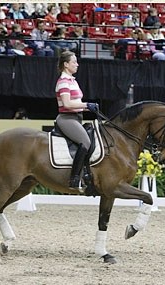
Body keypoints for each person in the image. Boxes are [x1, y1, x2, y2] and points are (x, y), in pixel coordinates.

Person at [55, 51, 98, 191]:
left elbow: (76, 103)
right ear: (66, 64)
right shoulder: (63, 82)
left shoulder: (72, 81)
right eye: (74, 62)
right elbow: (67, 104)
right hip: (67, 119)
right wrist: (86, 105)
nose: (77, 64)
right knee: (85, 142)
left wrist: (89, 109)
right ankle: (74, 179)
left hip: (77, 117)